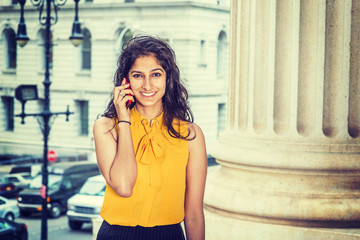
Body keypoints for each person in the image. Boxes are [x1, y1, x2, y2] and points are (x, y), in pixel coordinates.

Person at [93, 35, 207, 240]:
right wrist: (124, 121)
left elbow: (194, 214)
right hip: (116, 235)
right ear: (125, 81)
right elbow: (124, 186)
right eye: (138, 75)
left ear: (167, 78)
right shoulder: (106, 127)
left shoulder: (192, 135)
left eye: (156, 74)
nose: (147, 85)